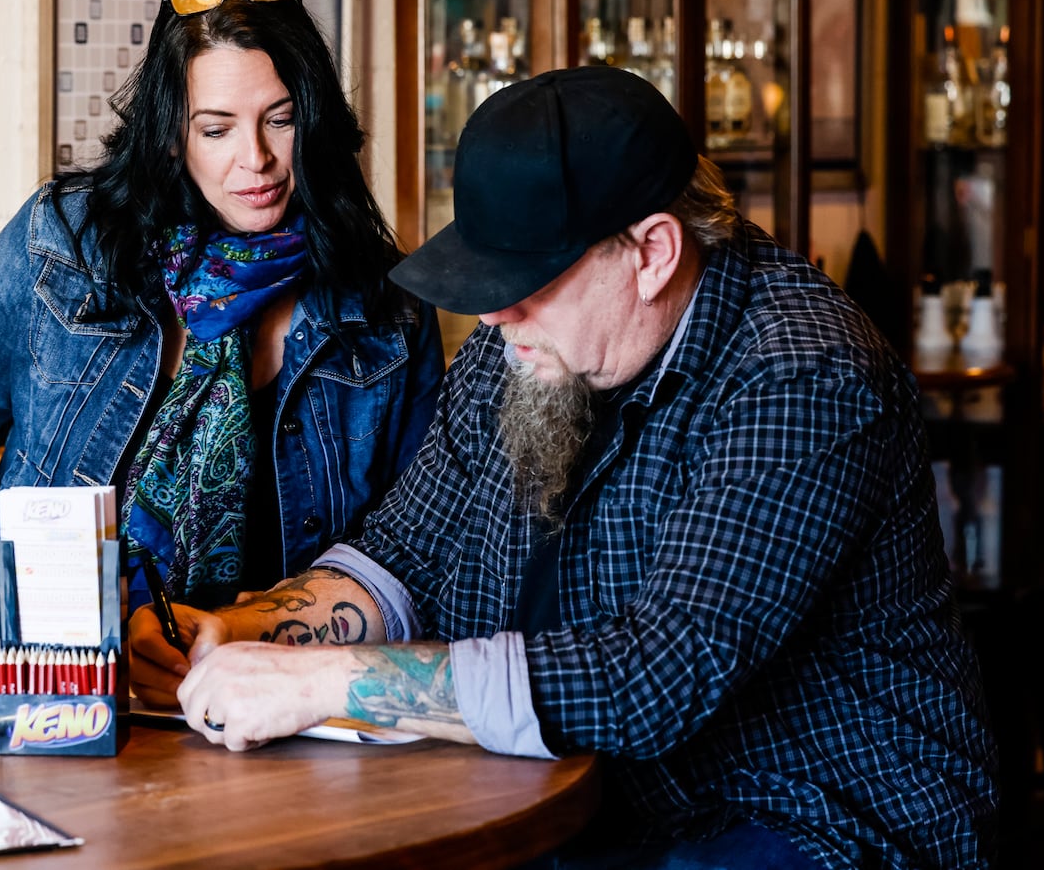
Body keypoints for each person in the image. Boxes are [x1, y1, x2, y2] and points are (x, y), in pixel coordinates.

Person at [130, 67, 998, 868]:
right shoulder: (523, 341)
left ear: (652, 251)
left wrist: (323, 683)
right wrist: (241, 634)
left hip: (812, 819)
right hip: (588, 806)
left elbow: (658, 672)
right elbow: (405, 552)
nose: (498, 309)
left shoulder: (801, 373)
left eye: (530, 277)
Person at [0, 0, 442, 643]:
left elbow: (411, 542)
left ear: (313, 121)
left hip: (268, 678)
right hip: (57, 664)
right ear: (173, 135)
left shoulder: (388, 307)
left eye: (279, 120)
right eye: (217, 128)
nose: (254, 158)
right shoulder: (65, 243)